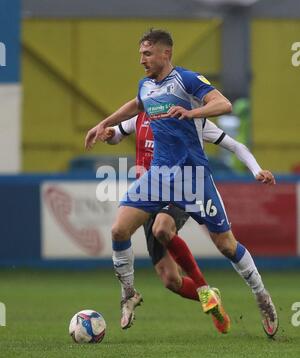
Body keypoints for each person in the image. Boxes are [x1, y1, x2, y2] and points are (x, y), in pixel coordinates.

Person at [85, 28, 278, 337]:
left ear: (166, 54)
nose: (142, 60)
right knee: (119, 229)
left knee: (226, 245)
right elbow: (136, 105)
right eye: (140, 54)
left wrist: (192, 112)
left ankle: (261, 295)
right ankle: (129, 293)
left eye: (147, 54)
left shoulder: (186, 80)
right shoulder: (146, 86)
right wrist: (103, 124)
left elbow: (224, 104)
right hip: (159, 177)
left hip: (193, 177)